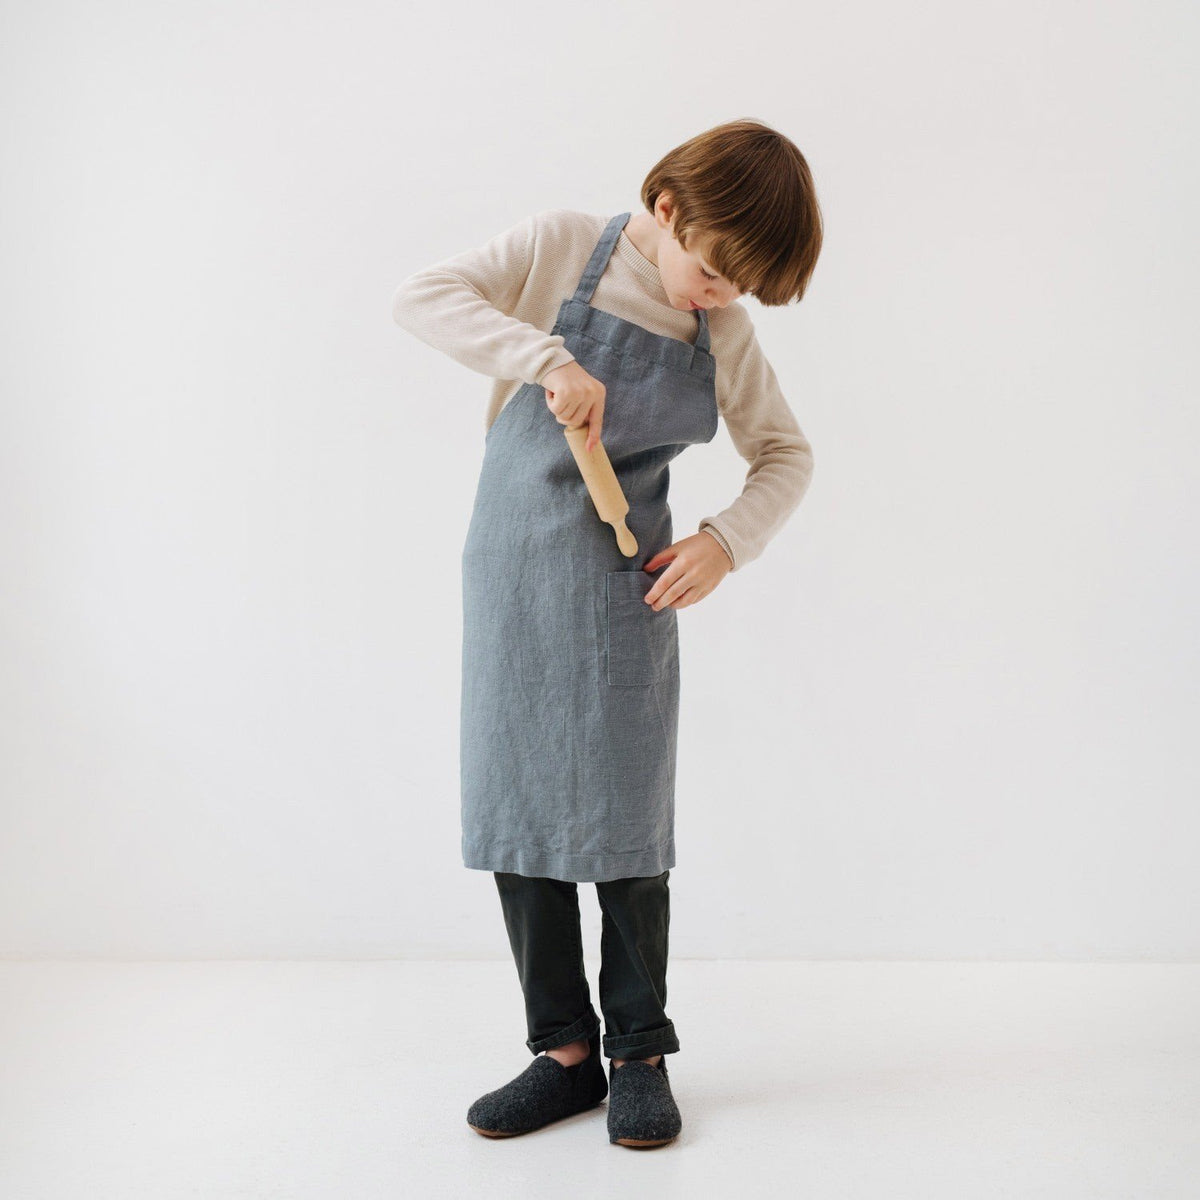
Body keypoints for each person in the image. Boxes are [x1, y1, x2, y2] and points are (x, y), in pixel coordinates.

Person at [391, 118, 821, 1148]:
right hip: (514, 577)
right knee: (520, 811)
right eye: (710, 270)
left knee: (627, 830)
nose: (711, 296)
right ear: (666, 208)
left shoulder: (722, 336)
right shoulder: (561, 247)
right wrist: (543, 356)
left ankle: (637, 1051)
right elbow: (421, 296)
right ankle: (563, 1053)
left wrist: (724, 542)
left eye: (736, 290)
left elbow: (786, 456)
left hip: (628, 595)